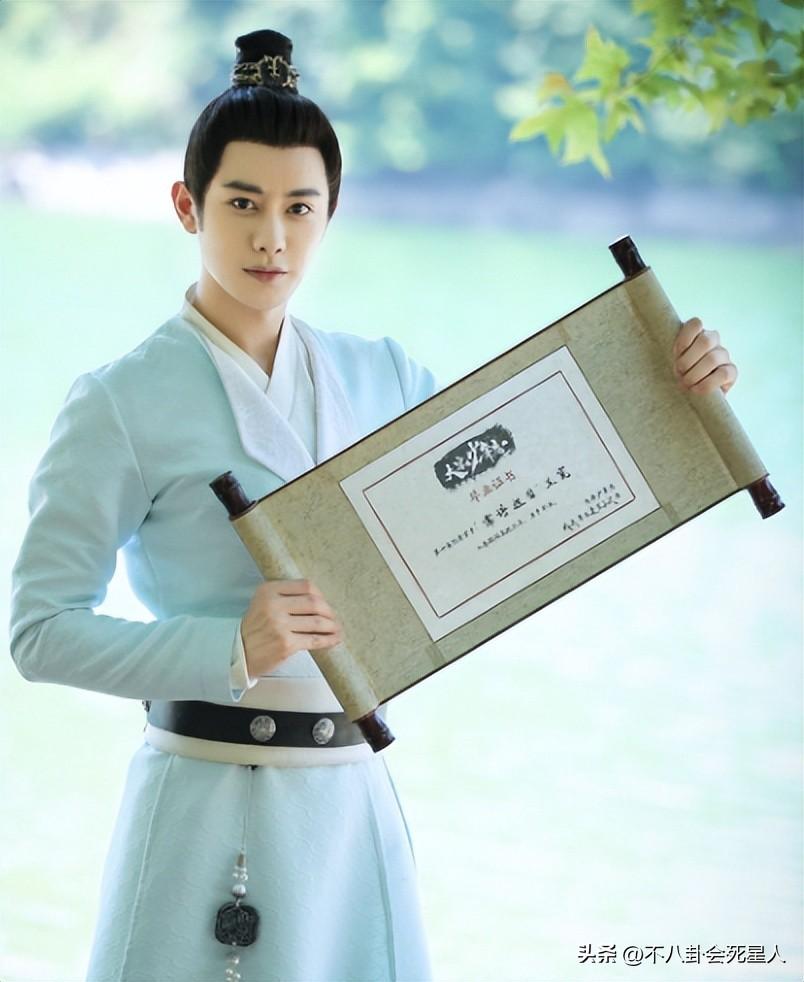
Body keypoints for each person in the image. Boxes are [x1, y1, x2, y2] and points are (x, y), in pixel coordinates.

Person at [8, 27, 739, 982]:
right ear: (188, 205)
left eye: (299, 207)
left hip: (349, 802)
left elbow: (537, 469)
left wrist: (676, 386)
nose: (272, 237)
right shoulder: (121, 401)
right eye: (242, 203)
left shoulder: (383, 374)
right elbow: (38, 632)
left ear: (330, 212)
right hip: (202, 804)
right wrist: (231, 646)